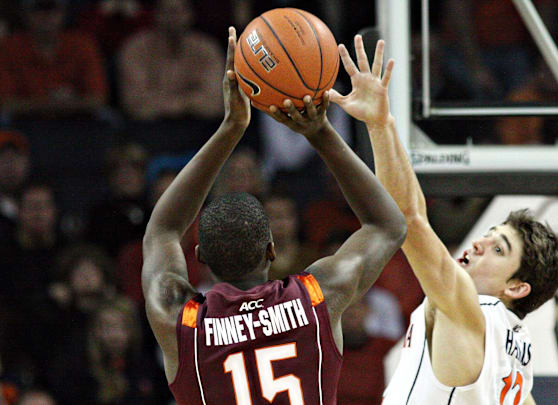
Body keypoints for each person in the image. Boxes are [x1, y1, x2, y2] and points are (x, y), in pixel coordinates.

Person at [141, 27, 406, 404]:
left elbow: (163, 230)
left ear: (199, 258)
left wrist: (230, 128)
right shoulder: (316, 298)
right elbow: (388, 225)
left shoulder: (180, 320)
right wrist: (320, 131)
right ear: (271, 250)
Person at [329, 35, 558, 404]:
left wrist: (380, 124)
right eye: (490, 235)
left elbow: (408, 218)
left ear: (517, 287)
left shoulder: (474, 308)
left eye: (498, 249)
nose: (479, 243)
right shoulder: (519, 350)